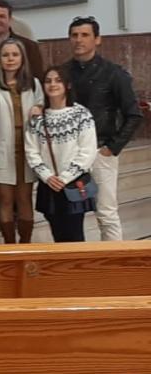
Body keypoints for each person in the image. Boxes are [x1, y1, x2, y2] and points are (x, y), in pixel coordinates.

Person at [63, 16, 143, 241]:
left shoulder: (113, 73)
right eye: (74, 35)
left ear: (97, 39)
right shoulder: (63, 72)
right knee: (70, 215)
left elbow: (134, 115)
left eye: (85, 35)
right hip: (69, 153)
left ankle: (114, 265)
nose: (79, 40)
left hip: (101, 150)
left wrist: (111, 148)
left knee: (106, 213)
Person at [27, 65, 99, 243]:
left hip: (72, 183)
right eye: (48, 81)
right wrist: (47, 176)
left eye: (58, 80)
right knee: (57, 236)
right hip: (49, 184)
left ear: (67, 85)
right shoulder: (37, 118)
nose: (53, 84)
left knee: (75, 235)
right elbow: (31, 150)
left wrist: (65, 177)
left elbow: (88, 151)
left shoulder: (81, 114)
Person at [0, 37, 43, 244]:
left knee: (24, 199)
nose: (10, 59)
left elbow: (41, 106)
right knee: (4, 199)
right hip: (2, 149)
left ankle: (26, 243)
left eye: (15, 55)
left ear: (22, 58)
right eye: (5, 55)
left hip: (27, 149)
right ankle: (9, 244)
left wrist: (40, 108)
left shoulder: (33, 84)